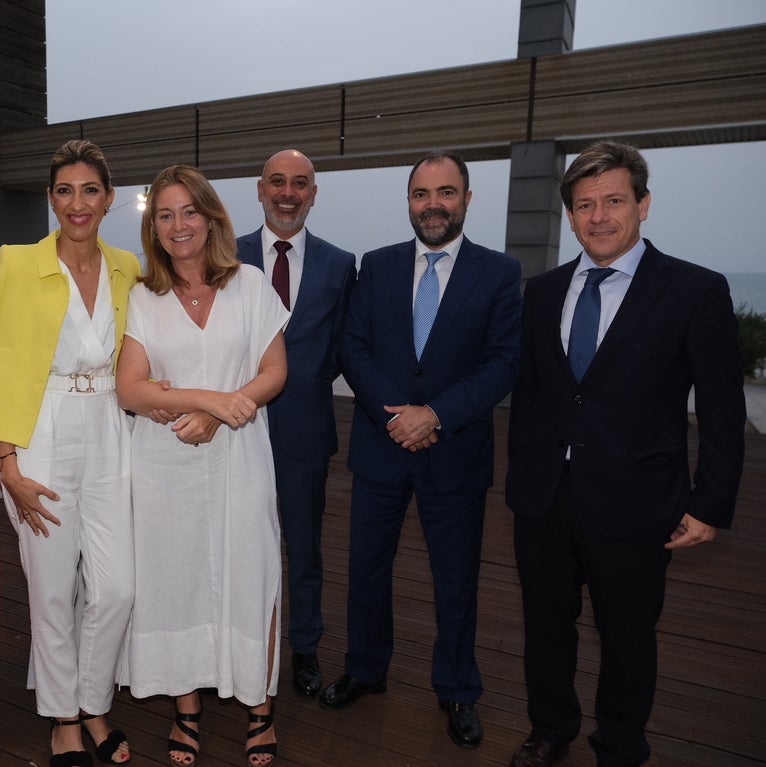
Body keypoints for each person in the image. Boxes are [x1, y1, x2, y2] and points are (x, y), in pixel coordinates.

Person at [505, 141, 745, 767]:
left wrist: (711, 502)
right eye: (584, 205)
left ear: (643, 205)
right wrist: (522, 476)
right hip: (544, 500)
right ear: (570, 215)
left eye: (614, 200)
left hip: (638, 503)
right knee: (546, 628)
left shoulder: (695, 290)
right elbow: (532, 393)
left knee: (629, 637)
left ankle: (620, 744)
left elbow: (722, 410)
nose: (599, 216)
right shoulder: (543, 292)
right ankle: (551, 727)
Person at [322, 151, 522, 751]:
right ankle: (364, 669)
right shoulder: (376, 267)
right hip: (382, 448)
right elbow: (352, 350)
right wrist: (399, 419)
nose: (432, 204)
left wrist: (434, 415)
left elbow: (503, 363)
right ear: (408, 201)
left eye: (445, 192)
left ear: (466, 198)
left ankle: (457, 688)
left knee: (456, 580)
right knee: (366, 572)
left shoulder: (500, 273)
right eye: (420, 194)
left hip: (454, 450)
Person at [117, 164, 289, 767]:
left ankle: (259, 707)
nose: (178, 225)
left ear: (211, 216)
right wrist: (201, 400)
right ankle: (185, 711)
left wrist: (221, 413)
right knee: (174, 579)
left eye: (189, 211)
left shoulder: (249, 284)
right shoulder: (144, 295)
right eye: (164, 215)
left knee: (251, 568)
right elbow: (130, 391)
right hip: (164, 466)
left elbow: (274, 373)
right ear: (153, 227)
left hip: (240, 456)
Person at [0, 139, 138, 767]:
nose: (78, 203)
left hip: (109, 432)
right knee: (49, 590)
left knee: (117, 587)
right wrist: (6, 462)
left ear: (108, 198)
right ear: (50, 198)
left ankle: (94, 700)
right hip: (40, 431)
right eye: (65, 191)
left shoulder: (127, 265)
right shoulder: (15, 263)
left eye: (90, 191)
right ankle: (67, 718)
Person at [236, 149, 356, 699]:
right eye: (278, 182)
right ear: (260, 189)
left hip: (306, 430)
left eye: (300, 184)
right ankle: (236, 647)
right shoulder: (224, 255)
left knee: (304, 547)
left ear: (313, 193)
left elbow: (344, 347)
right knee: (236, 541)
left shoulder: (340, 263)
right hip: (234, 426)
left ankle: (304, 648)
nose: (288, 193)